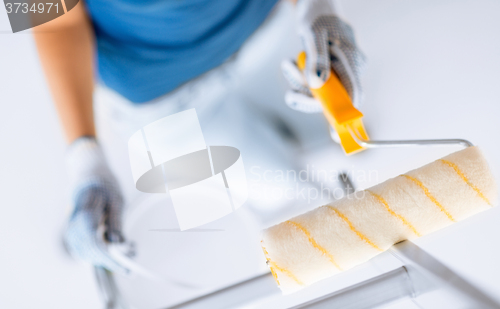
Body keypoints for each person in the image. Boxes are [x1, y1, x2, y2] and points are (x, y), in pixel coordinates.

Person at [34, 0, 366, 272]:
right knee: (281, 195)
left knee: (334, 146)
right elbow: (51, 19)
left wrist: (317, 10)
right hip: (163, 98)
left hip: (265, 28)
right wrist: (85, 160)